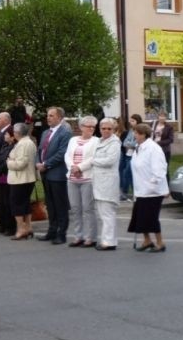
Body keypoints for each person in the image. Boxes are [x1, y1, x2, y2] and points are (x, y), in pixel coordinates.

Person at [128, 123, 169, 252]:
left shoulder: (153, 148)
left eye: (136, 133)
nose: (134, 135)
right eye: (134, 132)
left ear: (143, 134)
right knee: (140, 217)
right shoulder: (138, 148)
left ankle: (160, 242)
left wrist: (152, 183)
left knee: (151, 218)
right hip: (141, 190)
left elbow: (160, 169)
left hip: (153, 191)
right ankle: (147, 240)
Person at [36, 106, 72, 244]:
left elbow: (62, 153)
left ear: (59, 117)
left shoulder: (65, 133)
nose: (48, 118)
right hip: (46, 174)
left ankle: (61, 233)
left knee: (60, 205)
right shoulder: (46, 133)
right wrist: (38, 162)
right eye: (48, 115)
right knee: (50, 204)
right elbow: (39, 150)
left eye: (51, 115)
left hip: (57, 174)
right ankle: (51, 230)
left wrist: (46, 164)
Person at [64, 115, 99, 247]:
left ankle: (90, 237)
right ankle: (78, 236)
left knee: (88, 208)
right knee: (75, 208)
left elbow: (93, 158)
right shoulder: (73, 140)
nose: (91, 129)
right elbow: (67, 155)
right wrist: (72, 167)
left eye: (93, 127)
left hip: (87, 178)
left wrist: (79, 167)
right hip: (72, 178)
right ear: (81, 127)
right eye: (88, 126)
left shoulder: (96, 141)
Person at [90, 118, 121, 251]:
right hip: (98, 181)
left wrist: (93, 161)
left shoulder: (115, 143)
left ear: (114, 130)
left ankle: (109, 241)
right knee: (102, 213)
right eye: (104, 128)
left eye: (109, 129)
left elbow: (110, 160)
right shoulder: (99, 141)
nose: (106, 131)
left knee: (107, 213)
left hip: (107, 182)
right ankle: (105, 239)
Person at [6, 123, 37, 240]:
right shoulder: (29, 142)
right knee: (25, 203)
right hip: (27, 178)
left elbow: (21, 163)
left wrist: (9, 162)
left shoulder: (23, 144)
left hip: (20, 179)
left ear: (17, 133)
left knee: (16, 204)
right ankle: (28, 226)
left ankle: (21, 228)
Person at [119, 114, 140, 201]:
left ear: (137, 121)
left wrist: (130, 144)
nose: (130, 123)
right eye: (130, 121)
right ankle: (126, 193)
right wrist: (130, 144)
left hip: (134, 155)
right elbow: (124, 143)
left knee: (127, 173)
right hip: (128, 154)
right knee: (127, 174)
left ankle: (131, 193)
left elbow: (136, 143)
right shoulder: (131, 131)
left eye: (133, 121)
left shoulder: (139, 131)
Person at [151, 111, 173, 179]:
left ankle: (166, 185)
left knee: (164, 168)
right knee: (154, 167)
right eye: (161, 116)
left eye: (164, 116)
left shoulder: (169, 127)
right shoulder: (153, 124)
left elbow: (170, 139)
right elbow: (149, 134)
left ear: (166, 118)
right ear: (158, 116)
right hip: (153, 149)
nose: (162, 118)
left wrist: (159, 143)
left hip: (164, 150)